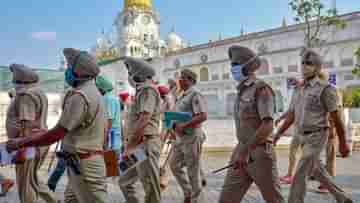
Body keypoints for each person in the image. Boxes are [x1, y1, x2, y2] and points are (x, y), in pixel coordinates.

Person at [6, 48, 108, 203]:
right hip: (78, 164)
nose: (66, 70)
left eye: (68, 67)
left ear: (78, 70)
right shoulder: (93, 92)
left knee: (28, 183)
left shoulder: (80, 96)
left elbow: (57, 133)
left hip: (85, 166)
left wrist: (20, 143)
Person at [274, 49, 352, 203]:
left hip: (317, 135)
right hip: (302, 135)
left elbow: (337, 118)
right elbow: (292, 115)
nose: (304, 66)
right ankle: (342, 198)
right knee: (318, 171)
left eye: (308, 63)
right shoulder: (298, 89)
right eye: (302, 63)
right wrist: (277, 134)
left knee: (300, 172)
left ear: (317, 67)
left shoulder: (326, 89)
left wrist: (343, 143)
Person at [218, 46, 284, 203]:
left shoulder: (261, 89)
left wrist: (246, 151)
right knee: (226, 198)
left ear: (248, 66)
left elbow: (268, 124)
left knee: (274, 199)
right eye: (232, 65)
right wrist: (242, 151)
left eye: (236, 64)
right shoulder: (242, 90)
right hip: (241, 150)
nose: (232, 68)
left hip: (259, 153)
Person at [5, 64, 56, 203]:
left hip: (28, 144)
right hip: (37, 142)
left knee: (25, 184)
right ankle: (53, 200)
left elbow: (26, 125)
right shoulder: (38, 92)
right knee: (32, 179)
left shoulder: (26, 96)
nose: (14, 84)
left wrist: (22, 148)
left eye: (15, 81)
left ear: (20, 81)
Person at [119, 57, 162, 203]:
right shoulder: (140, 91)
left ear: (138, 73)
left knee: (150, 187)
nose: (129, 76)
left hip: (145, 145)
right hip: (138, 146)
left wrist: (129, 147)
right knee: (124, 181)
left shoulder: (148, 90)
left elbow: (144, 118)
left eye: (130, 72)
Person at [169, 69, 208, 203]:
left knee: (193, 170)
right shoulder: (182, 95)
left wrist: (184, 126)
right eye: (180, 78)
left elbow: (203, 115)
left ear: (190, 80)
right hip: (180, 137)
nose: (180, 80)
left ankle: (196, 199)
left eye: (183, 78)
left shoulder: (195, 94)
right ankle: (188, 191)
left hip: (192, 136)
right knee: (174, 164)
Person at [275, 78, 304, 185]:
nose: (294, 85)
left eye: (295, 82)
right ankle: (290, 174)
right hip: (298, 128)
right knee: (293, 151)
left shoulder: (306, 92)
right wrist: (281, 118)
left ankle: (323, 181)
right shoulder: (295, 92)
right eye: (292, 83)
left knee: (310, 156)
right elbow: (291, 110)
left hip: (307, 129)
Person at [95, 75, 122, 153]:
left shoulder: (108, 99)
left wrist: (105, 137)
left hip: (111, 132)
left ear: (101, 87)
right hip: (112, 132)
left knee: (111, 156)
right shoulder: (109, 97)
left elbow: (109, 119)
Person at [158, 84, 176, 191]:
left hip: (170, 125)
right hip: (166, 125)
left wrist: (170, 129)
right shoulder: (165, 99)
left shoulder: (169, 99)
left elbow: (171, 113)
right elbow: (161, 112)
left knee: (173, 152)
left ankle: (164, 178)